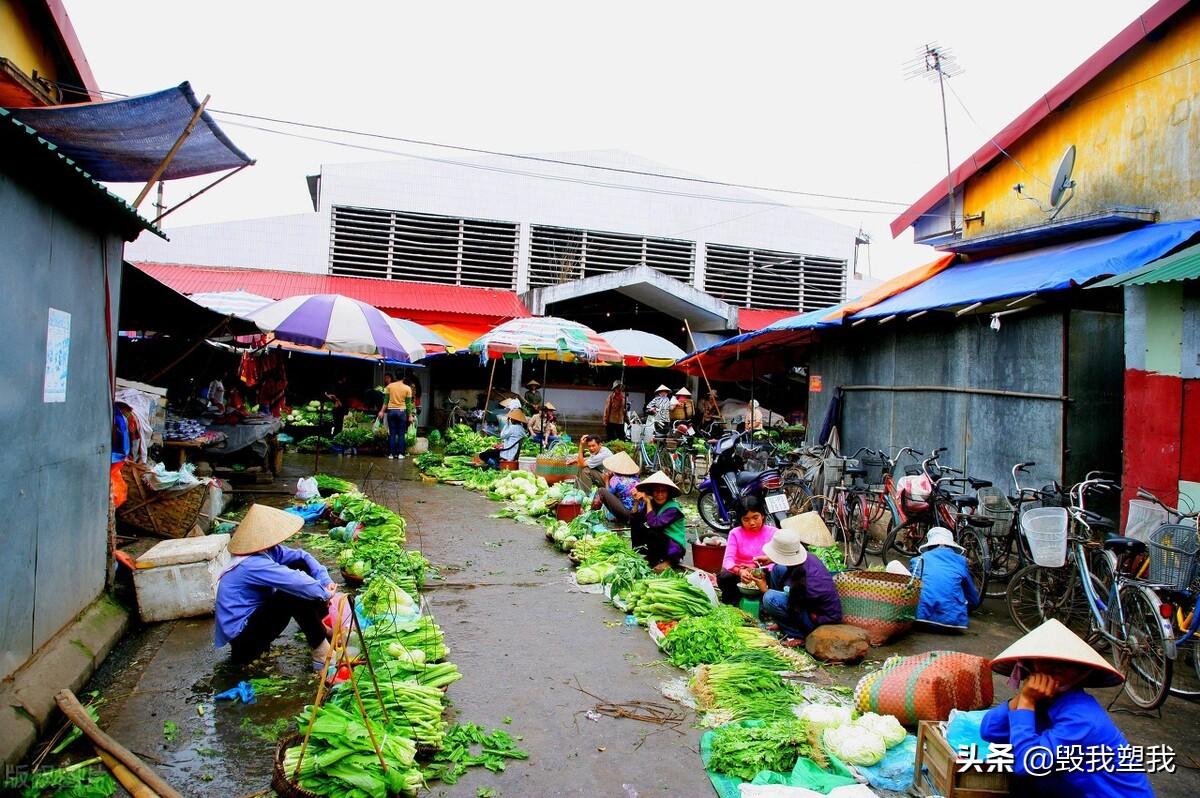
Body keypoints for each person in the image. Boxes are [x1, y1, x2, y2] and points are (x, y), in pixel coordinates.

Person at [980, 618, 1154, 798]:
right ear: (1030, 665)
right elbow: (989, 730)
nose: (1055, 669)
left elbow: (1028, 763)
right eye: (1046, 662)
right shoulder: (1042, 702)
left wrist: (1026, 702)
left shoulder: (1083, 719)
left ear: (1081, 671)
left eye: (1065, 665)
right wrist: (1022, 698)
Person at [215, 504, 336, 668]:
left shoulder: (268, 551)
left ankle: (319, 626)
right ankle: (321, 652)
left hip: (257, 622)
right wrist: (325, 593)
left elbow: (302, 556)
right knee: (293, 594)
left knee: (299, 565)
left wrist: (325, 581)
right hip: (244, 640)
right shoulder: (250, 564)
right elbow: (296, 582)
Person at [743, 524, 842, 644]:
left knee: (770, 598)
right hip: (804, 602)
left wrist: (765, 589)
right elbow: (789, 563)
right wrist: (772, 559)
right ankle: (781, 622)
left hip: (818, 619)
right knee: (778, 569)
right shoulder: (808, 558)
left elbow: (794, 605)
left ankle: (797, 634)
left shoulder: (807, 586)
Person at [909, 526, 981, 631]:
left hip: (921, 618)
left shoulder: (918, 560)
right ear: (951, 546)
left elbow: (910, 588)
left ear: (930, 546)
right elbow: (973, 598)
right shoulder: (961, 562)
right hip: (953, 622)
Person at [716, 497, 779, 604]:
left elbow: (779, 561)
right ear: (740, 520)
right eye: (746, 519)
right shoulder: (735, 533)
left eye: (755, 517)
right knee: (724, 577)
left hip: (764, 575)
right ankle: (733, 605)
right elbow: (727, 561)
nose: (752, 523)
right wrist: (740, 572)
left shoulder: (774, 533)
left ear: (762, 515)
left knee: (777, 573)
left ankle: (767, 603)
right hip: (741, 575)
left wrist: (757, 570)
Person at [630, 471, 687, 572]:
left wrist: (647, 502)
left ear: (668, 493)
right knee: (636, 524)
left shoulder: (673, 509)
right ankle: (645, 555)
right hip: (662, 541)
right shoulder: (653, 503)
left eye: (663, 491)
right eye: (656, 491)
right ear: (652, 492)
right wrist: (636, 502)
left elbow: (654, 524)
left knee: (652, 532)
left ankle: (669, 561)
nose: (660, 495)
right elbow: (636, 518)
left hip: (674, 546)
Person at [591, 451, 641, 524]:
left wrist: (607, 481)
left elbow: (607, 496)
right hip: (639, 514)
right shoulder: (637, 479)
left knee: (601, 491)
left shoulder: (616, 479)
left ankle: (591, 513)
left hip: (628, 514)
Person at [377, 372, 413, 460]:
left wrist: (381, 411)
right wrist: (410, 415)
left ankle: (391, 454)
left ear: (395, 377)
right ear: (403, 378)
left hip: (391, 412)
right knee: (401, 434)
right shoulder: (407, 388)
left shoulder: (389, 386)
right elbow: (408, 404)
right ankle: (400, 454)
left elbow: (385, 401)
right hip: (402, 412)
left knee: (392, 433)